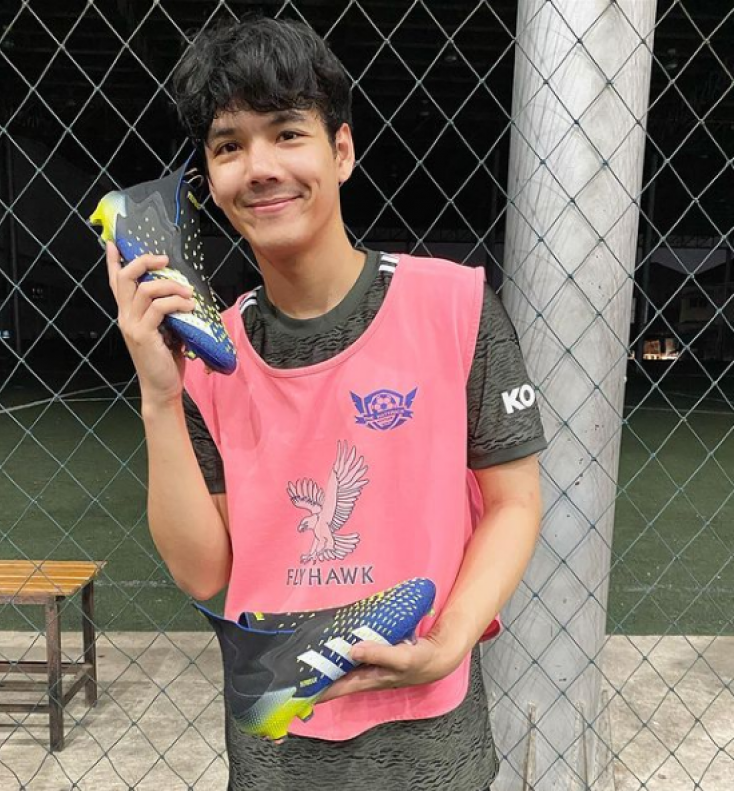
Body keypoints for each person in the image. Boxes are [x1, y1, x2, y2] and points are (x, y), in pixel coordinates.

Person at [105, 16, 546, 791]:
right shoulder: (210, 359)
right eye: (229, 146)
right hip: (278, 749)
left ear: (340, 151)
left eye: (286, 133)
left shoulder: (454, 307)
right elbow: (203, 571)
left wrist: (447, 641)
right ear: (209, 178)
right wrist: (159, 394)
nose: (260, 167)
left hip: (433, 744)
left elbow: (514, 502)